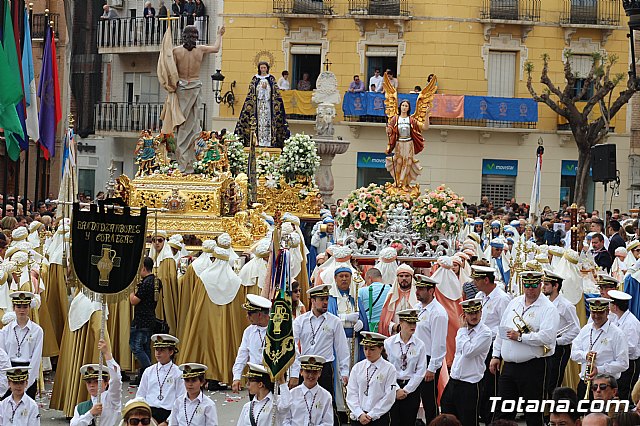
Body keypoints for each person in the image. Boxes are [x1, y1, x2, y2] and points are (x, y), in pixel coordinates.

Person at [489, 271, 559, 426]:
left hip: (534, 367)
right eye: (526, 285)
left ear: (540, 285)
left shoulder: (548, 308)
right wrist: (496, 355)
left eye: (534, 285)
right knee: (502, 412)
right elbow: (502, 330)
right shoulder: (515, 302)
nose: (530, 289)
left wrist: (521, 337)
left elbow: (547, 338)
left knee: (533, 413)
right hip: (509, 367)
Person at [170, 25, 225, 172]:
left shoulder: (176, 51)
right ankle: (184, 163)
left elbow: (169, 70)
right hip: (191, 86)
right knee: (187, 123)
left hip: (183, 87)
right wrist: (219, 35)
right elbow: (215, 48)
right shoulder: (198, 49)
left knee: (189, 123)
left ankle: (186, 162)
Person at [291, 284, 350, 419]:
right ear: (312, 300)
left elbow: (342, 348)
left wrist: (345, 371)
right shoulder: (300, 321)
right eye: (321, 299)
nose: (325, 303)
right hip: (305, 366)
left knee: (326, 402)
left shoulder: (334, 321)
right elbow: (292, 345)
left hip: (324, 368)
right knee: (303, 403)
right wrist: (295, 371)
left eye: (326, 299)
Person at [441, 299, 492, 426]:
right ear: (464, 315)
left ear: (481, 312)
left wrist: (463, 330)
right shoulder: (462, 331)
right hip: (454, 380)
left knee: (468, 421)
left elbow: (468, 351)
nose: (473, 316)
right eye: (470, 313)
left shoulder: (485, 333)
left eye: (476, 312)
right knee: (447, 417)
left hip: (470, 384)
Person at [571, 297, 628, 400]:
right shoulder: (585, 330)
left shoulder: (617, 334)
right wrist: (585, 355)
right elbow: (573, 354)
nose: (596, 316)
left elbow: (623, 363)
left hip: (605, 386)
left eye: (600, 313)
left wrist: (599, 370)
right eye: (593, 312)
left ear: (607, 312)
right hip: (585, 382)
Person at [414, 274, 448, 424]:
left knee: (429, 399)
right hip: (415, 357)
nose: (417, 291)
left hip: (428, 358)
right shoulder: (418, 308)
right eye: (417, 288)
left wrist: (432, 368)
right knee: (413, 395)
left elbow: (439, 343)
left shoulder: (438, 313)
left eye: (421, 289)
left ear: (431, 290)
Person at [384, 309, 426, 426]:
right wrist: (397, 389)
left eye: (414, 323)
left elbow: (421, 371)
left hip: (411, 388)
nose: (413, 326)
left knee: (409, 421)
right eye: (409, 323)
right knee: (393, 421)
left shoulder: (420, 345)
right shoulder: (388, 343)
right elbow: (387, 367)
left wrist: (407, 390)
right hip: (393, 385)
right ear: (401, 322)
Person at [542, 270, 580, 398]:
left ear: (556, 286)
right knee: (544, 379)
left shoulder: (566, 305)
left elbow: (575, 329)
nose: (543, 287)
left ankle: (554, 412)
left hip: (559, 347)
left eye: (546, 284)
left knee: (554, 381)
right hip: (545, 345)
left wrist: (558, 341)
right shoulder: (545, 303)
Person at [346, 331, 397, 425]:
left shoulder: (389, 369)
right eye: (365, 349)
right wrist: (359, 413)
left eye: (372, 349)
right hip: (358, 417)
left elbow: (389, 397)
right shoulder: (357, 368)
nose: (367, 352)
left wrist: (372, 414)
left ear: (381, 348)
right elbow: (351, 393)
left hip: (378, 418)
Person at [235, 61, 290, 148]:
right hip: (258, 106)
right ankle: (258, 141)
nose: (263, 69)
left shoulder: (271, 79)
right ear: (259, 69)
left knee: (268, 122)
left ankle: (269, 142)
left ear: (267, 68)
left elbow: (275, 93)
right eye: (261, 68)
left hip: (268, 105)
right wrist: (261, 89)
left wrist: (266, 89)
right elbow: (252, 93)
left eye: (265, 67)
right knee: (258, 123)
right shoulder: (255, 79)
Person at [0, 291, 43, 400]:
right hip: (9, 371)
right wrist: (7, 381)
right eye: (18, 307)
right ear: (14, 308)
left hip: (28, 371)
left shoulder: (37, 331)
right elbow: (3, 356)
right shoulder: (5, 331)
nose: (22, 310)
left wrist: (28, 382)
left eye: (25, 306)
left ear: (29, 307)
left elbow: (36, 358)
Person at [70, 339, 122, 426]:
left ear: (106, 384)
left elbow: (116, 379)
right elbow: (73, 425)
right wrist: (90, 413)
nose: (92, 385)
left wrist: (107, 354)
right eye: (89, 382)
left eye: (96, 382)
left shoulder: (111, 399)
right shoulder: (80, 407)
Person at [136, 334, 183, 425]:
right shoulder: (149, 371)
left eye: (162, 350)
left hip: (169, 413)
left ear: (171, 352)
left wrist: (167, 422)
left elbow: (180, 400)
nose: (158, 353)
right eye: (157, 349)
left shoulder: (178, 373)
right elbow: (140, 396)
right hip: (149, 413)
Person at [231, 295, 271, 393]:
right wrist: (236, 377)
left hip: (271, 376)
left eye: (249, 314)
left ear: (260, 314)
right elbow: (242, 355)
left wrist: (294, 375)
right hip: (255, 377)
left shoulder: (277, 330)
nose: (247, 317)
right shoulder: (248, 331)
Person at [385, 98, 428, 189]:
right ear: (400, 107)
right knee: (399, 161)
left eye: (406, 106)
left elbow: (425, 127)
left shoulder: (411, 120)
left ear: (408, 108)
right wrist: (388, 130)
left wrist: (427, 114)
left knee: (408, 162)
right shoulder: (395, 119)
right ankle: (396, 181)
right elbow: (390, 130)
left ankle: (403, 183)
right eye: (403, 105)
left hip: (409, 143)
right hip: (399, 143)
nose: (404, 107)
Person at [607, 290, 640, 403]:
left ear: (615, 307)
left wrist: (614, 350)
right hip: (620, 361)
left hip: (630, 363)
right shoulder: (617, 319)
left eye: (610, 304)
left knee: (627, 392)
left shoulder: (631, 323)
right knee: (619, 390)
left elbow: (631, 348)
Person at [130, 257, 158, 386]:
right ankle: (145, 375)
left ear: (143, 268)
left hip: (141, 320)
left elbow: (134, 301)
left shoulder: (146, 283)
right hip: (150, 319)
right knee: (146, 348)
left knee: (136, 347)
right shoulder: (157, 281)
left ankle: (149, 372)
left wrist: (131, 290)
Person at [286, 355, 333, 426]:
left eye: (315, 372)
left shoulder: (326, 396)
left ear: (319, 373)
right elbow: (285, 420)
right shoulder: (292, 394)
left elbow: (328, 422)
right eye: (307, 371)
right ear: (301, 372)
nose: (311, 375)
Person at [379, 264, 417, 336]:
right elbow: (385, 320)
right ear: (397, 278)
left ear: (412, 278)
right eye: (401, 276)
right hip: (396, 336)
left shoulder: (417, 296)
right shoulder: (391, 296)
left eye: (407, 276)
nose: (404, 278)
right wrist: (394, 326)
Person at [358, 268, 390, 333]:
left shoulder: (362, 291)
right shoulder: (390, 289)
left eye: (366, 281)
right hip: (386, 327)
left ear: (370, 278)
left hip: (368, 328)